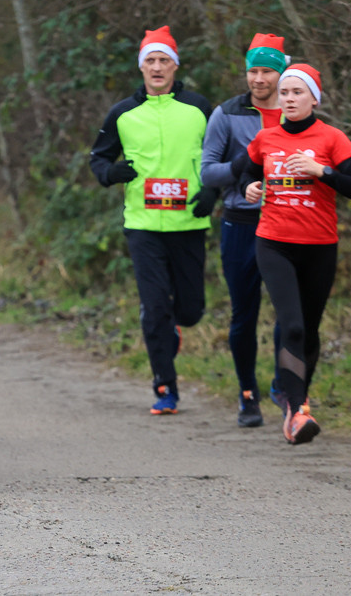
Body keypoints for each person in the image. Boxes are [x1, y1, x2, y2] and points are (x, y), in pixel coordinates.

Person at [237, 64, 351, 444]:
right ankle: (296, 411)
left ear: (313, 98)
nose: (289, 99)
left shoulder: (333, 138)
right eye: (285, 93)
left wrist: (321, 171)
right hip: (274, 242)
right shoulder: (267, 138)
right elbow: (246, 173)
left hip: (320, 246)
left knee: (309, 330)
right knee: (290, 325)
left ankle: (296, 396)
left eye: (297, 93)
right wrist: (250, 188)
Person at [89, 26, 214, 416]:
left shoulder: (199, 108)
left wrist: (212, 192)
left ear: (175, 66)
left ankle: (170, 328)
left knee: (191, 311)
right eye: (150, 61)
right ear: (141, 67)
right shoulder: (123, 113)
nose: (157, 67)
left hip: (189, 224)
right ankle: (166, 386)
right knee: (155, 307)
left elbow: (222, 155)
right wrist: (113, 174)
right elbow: (98, 159)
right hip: (142, 225)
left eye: (164, 60)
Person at [200, 33, 289, 428]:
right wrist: (242, 170)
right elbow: (207, 172)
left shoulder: (295, 113)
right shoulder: (227, 113)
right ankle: (247, 393)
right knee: (244, 314)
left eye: (266, 70)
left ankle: (284, 386)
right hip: (242, 222)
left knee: (290, 314)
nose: (257, 79)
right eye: (252, 70)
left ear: (281, 73)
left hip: (288, 224)